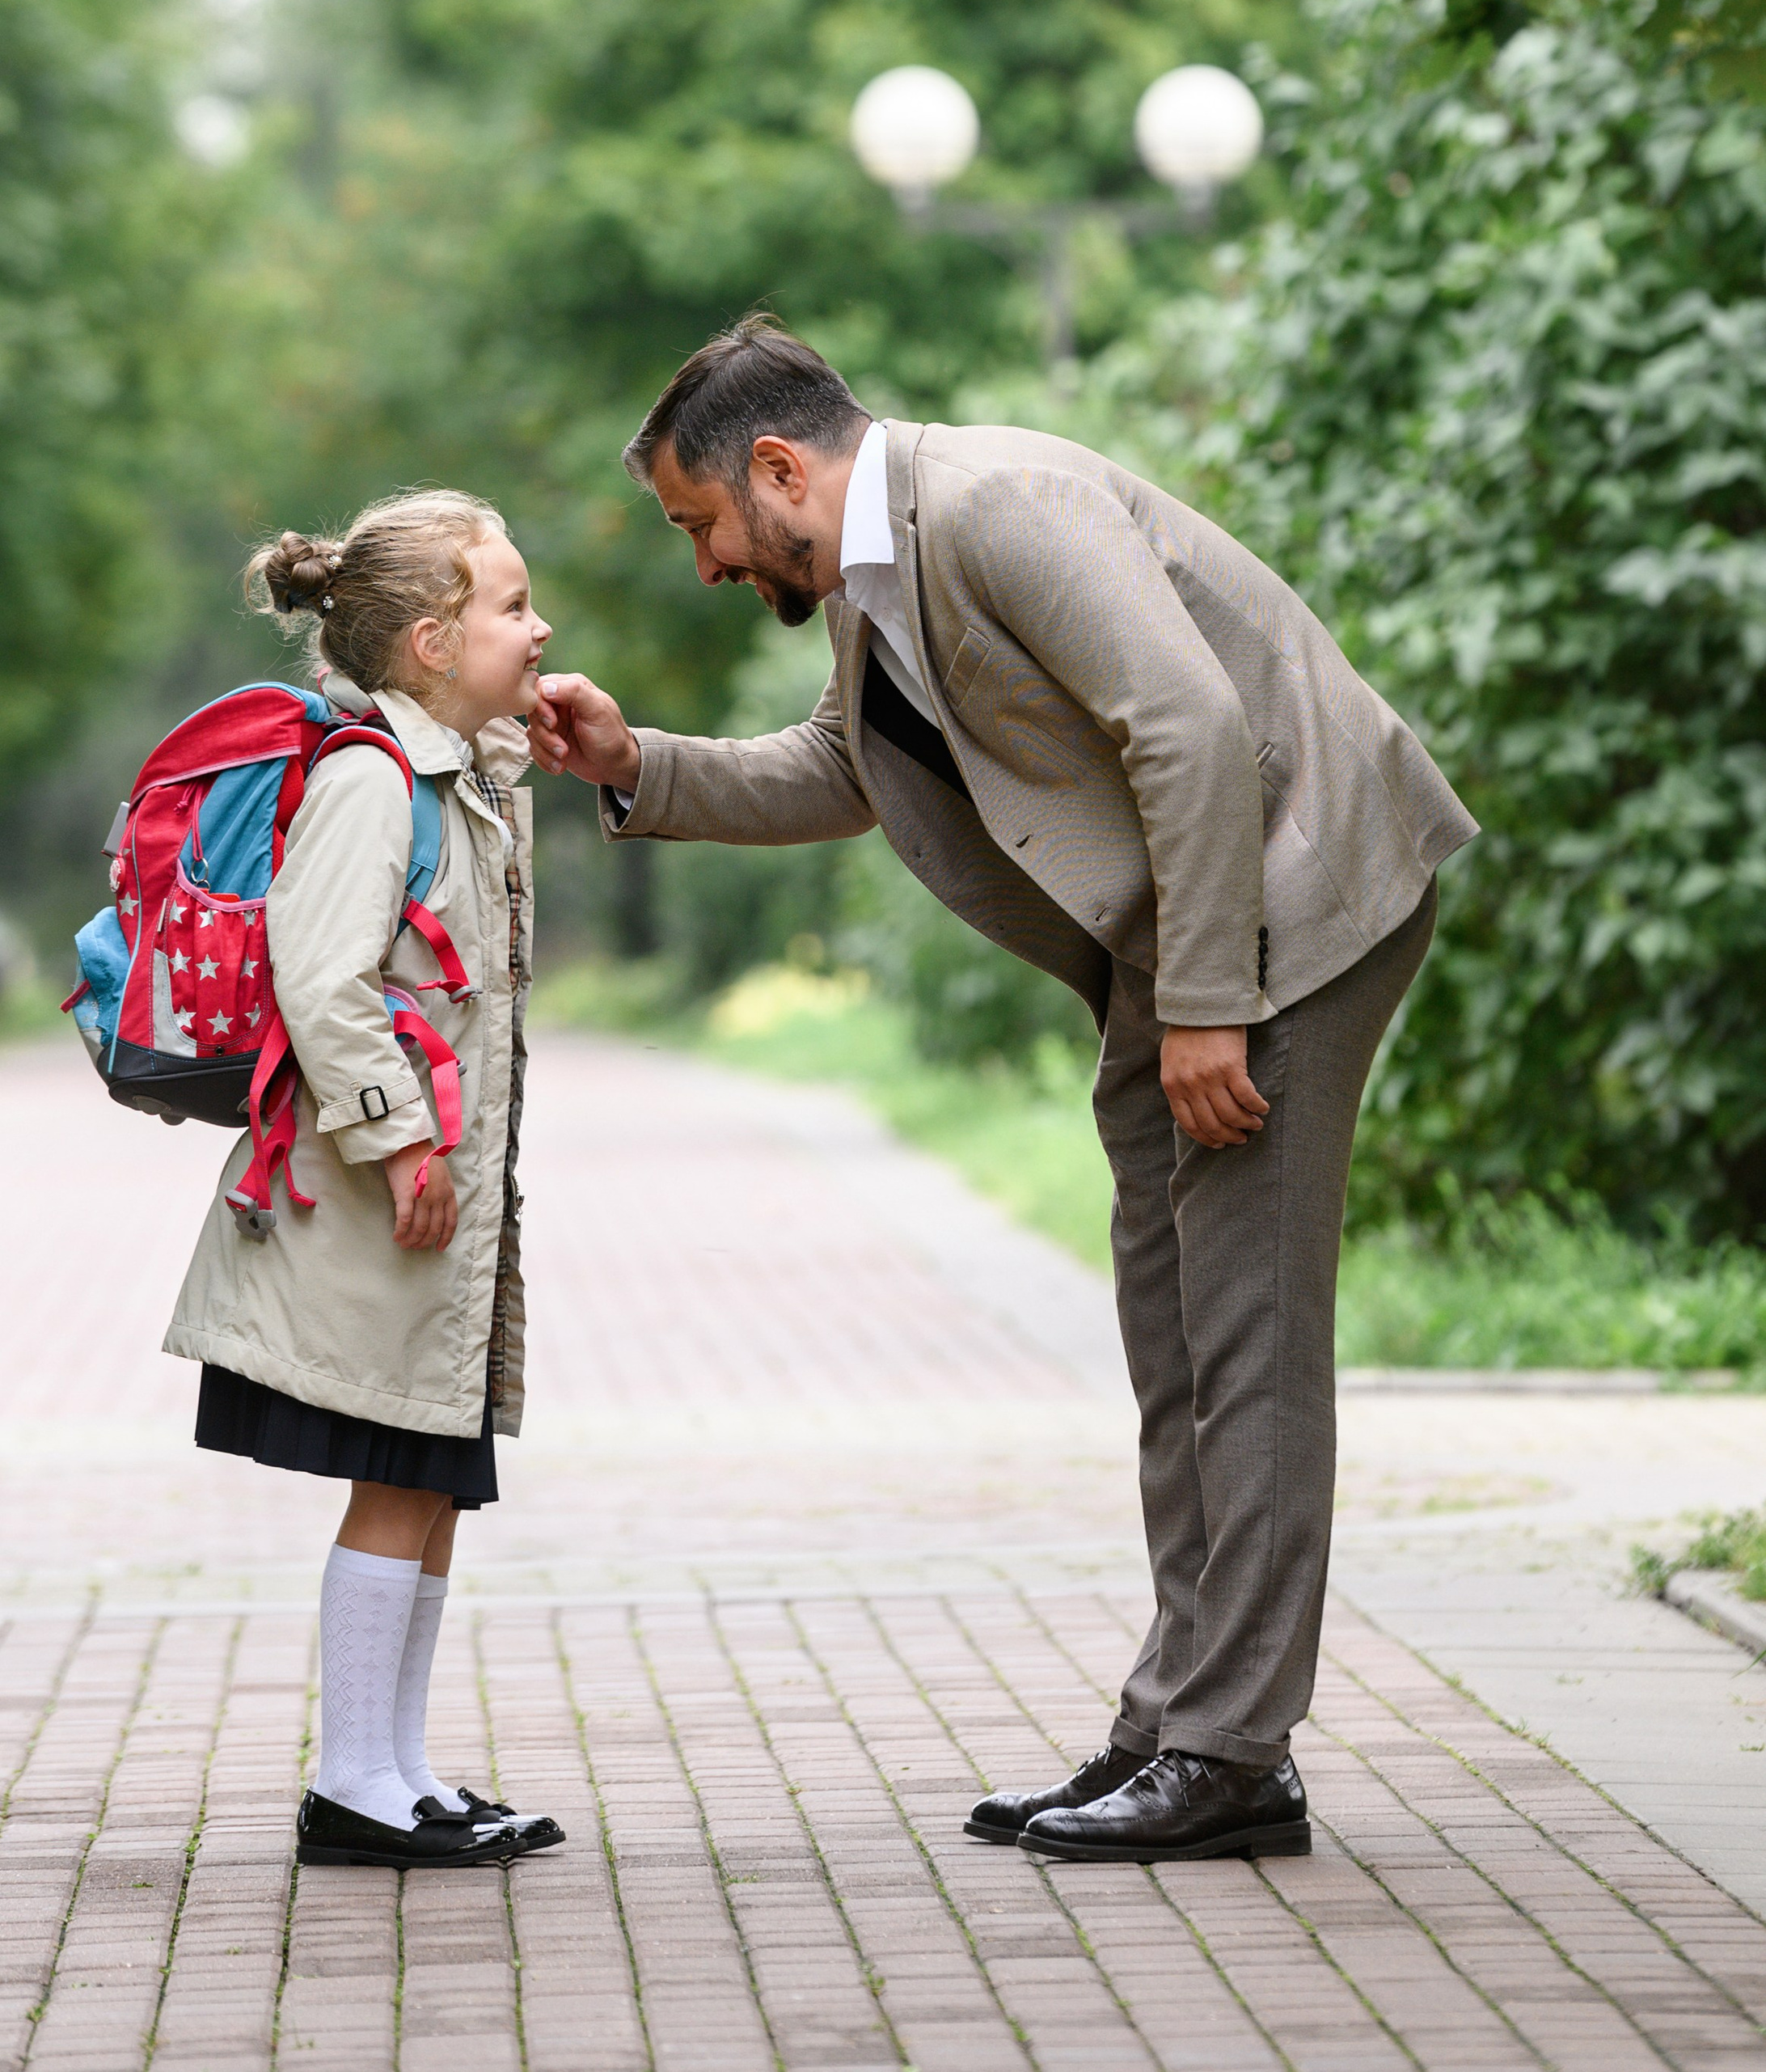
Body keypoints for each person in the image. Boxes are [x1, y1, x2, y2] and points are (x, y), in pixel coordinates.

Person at [530, 315, 1477, 1865]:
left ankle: (1234, 1752)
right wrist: (640, 762)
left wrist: (1210, 1005)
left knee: (1247, 1336)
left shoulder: (992, 507)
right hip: (1174, 945)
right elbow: (844, 770)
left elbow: (1190, 727)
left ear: (780, 469)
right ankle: (1183, 1720)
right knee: (1171, 1338)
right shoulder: (875, 582)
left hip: (1290, 905)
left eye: (701, 525)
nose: (705, 563)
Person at [166, 490, 564, 1871]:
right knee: (398, 1478)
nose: (542, 624)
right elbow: (320, 982)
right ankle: (353, 1782)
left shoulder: (460, 779)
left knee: (434, 1480)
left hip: (430, 1215)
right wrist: (401, 1141)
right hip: (375, 1205)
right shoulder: (370, 782)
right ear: (432, 642)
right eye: (515, 606)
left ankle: (398, 1767)